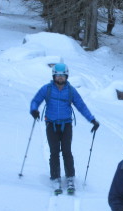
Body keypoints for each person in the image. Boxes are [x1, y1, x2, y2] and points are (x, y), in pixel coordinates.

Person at [30, 63, 99, 193]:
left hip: (66, 125)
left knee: (67, 152)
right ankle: (55, 178)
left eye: (62, 76)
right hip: (51, 124)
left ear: (66, 76)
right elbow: (36, 100)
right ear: (54, 76)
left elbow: (81, 106)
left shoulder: (71, 91)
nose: (60, 78)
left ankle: (70, 178)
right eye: (58, 76)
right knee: (54, 152)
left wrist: (92, 120)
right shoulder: (47, 89)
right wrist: (34, 110)